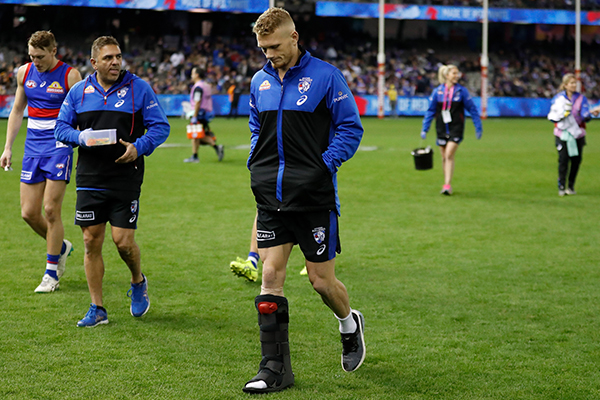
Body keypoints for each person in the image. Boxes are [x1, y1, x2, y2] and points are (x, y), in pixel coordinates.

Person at [242, 8, 365, 394]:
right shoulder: (259, 81)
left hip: (313, 197)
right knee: (270, 277)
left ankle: (349, 323)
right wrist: (255, 164)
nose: (269, 55)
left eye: (274, 46)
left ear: (294, 37)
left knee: (320, 282)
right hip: (271, 197)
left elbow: (350, 128)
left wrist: (321, 166)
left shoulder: (326, 77)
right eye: (263, 49)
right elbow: (255, 128)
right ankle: (273, 369)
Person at [54, 36, 170, 327]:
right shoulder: (78, 92)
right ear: (94, 62)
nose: (115, 62)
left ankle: (137, 280)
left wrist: (138, 147)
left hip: (125, 177)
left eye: (118, 56)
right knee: (90, 241)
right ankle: (97, 308)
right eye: (108, 58)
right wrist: (79, 137)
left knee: (123, 242)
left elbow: (160, 127)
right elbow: (60, 128)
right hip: (90, 177)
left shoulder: (139, 88)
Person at [0, 31, 81, 293]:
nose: (36, 61)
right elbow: (16, 110)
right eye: (32, 56)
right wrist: (8, 147)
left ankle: (51, 273)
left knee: (50, 210)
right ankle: (61, 247)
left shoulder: (70, 76)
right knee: (28, 213)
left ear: (54, 50)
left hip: (59, 145)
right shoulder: (24, 73)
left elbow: (81, 115)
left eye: (40, 57)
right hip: (33, 147)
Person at [421, 64, 482, 195]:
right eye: (454, 73)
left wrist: (478, 126)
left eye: (457, 73)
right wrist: (425, 128)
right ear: (446, 75)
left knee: (449, 154)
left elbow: (472, 109)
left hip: (456, 128)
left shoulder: (461, 91)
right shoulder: (437, 92)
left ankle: (447, 185)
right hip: (441, 128)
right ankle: (446, 183)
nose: (457, 76)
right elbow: (430, 111)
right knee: (444, 157)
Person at [547, 73, 600, 196]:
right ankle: (561, 186)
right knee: (563, 160)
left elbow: (585, 116)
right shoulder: (558, 99)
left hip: (577, 134)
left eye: (575, 83)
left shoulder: (581, 98)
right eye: (571, 83)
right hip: (562, 134)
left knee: (576, 161)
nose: (574, 85)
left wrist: (590, 114)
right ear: (565, 85)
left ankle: (570, 186)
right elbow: (553, 115)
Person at [183, 67, 224, 163]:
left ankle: (214, 148)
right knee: (198, 136)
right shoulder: (206, 85)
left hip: (200, 113)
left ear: (197, 75)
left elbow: (197, 101)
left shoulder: (198, 87)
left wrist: (194, 116)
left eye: (193, 73)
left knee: (196, 135)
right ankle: (196, 155)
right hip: (206, 112)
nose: (191, 75)